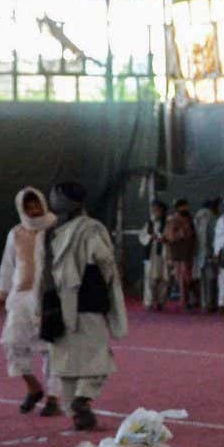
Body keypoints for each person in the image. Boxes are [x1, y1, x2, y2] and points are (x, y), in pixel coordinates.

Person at [41, 182, 127, 431]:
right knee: (97, 356)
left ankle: (75, 410)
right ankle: (82, 400)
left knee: (66, 358)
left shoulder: (55, 232)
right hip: (86, 300)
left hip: (58, 303)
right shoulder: (89, 228)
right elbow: (104, 260)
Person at [0, 187, 63, 416]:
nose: (33, 210)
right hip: (20, 297)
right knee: (12, 341)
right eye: (28, 206)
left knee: (52, 348)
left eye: (36, 204)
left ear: (43, 203)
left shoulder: (55, 227)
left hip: (50, 296)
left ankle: (53, 398)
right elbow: (8, 265)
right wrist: (0, 295)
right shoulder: (16, 232)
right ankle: (33, 387)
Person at [163, 198, 196, 310]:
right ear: (178, 208)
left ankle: (188, 299)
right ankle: (184, 301)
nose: (185, 208)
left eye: (186, 206)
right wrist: (182, 232)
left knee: (187, 276)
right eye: (183, 206)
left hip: (188, 251)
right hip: (178, 253)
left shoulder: (189, 218)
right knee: (182, 277)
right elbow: (170, 237)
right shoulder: (173, 220)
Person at [139, 200, 168, 311]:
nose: (155, 212)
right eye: (154, 210)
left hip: (164, 254)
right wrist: (151, 237)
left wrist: (164, 238)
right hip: (151, 254)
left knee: (164, 278)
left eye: (157, 210)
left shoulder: (168, 222)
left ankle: (161, 301)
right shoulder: (150, 223)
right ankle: (149, 302)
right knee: (150, 278)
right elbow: (143, 236)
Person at [193, 198, 219, 312]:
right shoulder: (210, 217)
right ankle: (211, 303)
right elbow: (211, 236)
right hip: (209, 253)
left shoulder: (197, 217)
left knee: (203, 280)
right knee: (211, 279)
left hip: (199, 254)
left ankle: (204, 304)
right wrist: (213, 252)